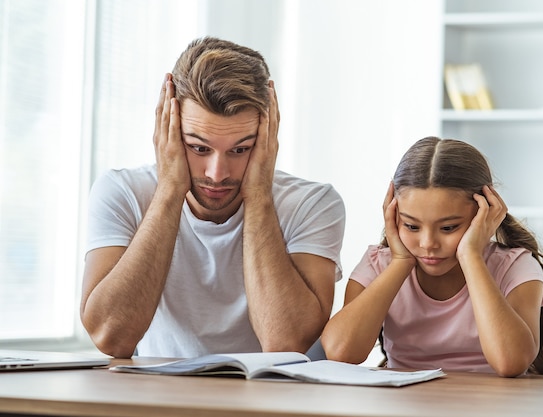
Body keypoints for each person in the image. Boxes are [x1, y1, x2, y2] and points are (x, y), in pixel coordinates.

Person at [80, 37, 346, 359]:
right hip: (162, 401)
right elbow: (111, 336)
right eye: (198, 148)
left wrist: (259, 196)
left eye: (240, 149)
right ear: (169, 131)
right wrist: (168, 192)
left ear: (268, 136)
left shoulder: (313, 204)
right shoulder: (123, 193)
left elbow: (284, 343)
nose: (217, 173)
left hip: (272, 403)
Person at [321, 136, 543, 377]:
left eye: (449, 228)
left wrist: (471, 256)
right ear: (393, 215)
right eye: (411, 226)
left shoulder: (515, 267)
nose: (428, 244)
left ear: (485, 213)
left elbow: (510, 363)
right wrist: (400, 263)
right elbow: (340, 352)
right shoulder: (379, 265)